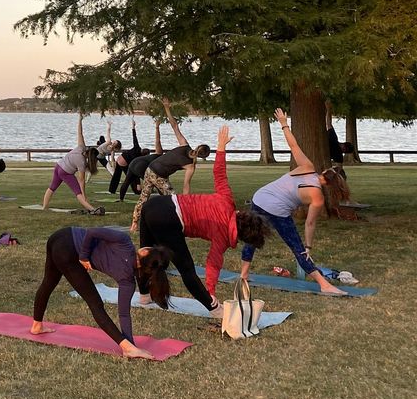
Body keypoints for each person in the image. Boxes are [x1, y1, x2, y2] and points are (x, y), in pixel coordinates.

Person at [137, 125, 268, 313]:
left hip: (157, 204)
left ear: (242, 215)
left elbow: (220, 174)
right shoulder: (223, 238)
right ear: (241, 237)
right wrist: (211, 292)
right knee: (186, 268)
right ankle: (213, 307)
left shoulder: (227, 201)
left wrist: (221, 147)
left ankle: (144, 295)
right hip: (170, 217)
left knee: (144, 253)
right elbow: (213, 264)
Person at [239, 109, 349, 295]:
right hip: (276, 209)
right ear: (332, 186)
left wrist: (284, 123)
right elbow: (310, 223)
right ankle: (325, 285)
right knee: (298, 248)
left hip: (260, 197)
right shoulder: (318, 197)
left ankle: (243, 275)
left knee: (253, 235)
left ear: (324, 172)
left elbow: (294, 145)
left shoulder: (307, 168)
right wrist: (308, 246)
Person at [24, 226, 172, 360]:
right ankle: (127, 348)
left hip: (61, 238)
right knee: (95, 303)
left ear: (145, 251)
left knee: (49, 283)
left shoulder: (125, 242)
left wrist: (130, 345)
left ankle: (37, 326)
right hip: (67, 244)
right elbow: (92, 233)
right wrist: (84, 256)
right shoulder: (128, 281)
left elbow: (93, 231)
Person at [129, 99, 211, 232]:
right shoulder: (190, 165)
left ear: (197, 147)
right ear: (203, 157)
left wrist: (167, 108)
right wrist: (185, 203)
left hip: (150, 169)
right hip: (158, 174)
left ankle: (134, 224)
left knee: (144, 198)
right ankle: (178, 223)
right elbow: (186, 186)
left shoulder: (185, 144)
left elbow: (174, 126)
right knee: (174, 200)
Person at [40, 111, 103, 214]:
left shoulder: (81, 147)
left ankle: (44, 208)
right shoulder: (81, 163)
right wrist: (84, 196)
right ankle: (92, 210)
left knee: (52, 188)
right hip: (65, 172)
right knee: (78, 193)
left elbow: (80, 133)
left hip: (58, 166)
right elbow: (81, 181)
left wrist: (80, 120)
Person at [118, 119, 163, 201]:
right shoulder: (157, 156)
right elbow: (157, 140)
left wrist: (133, 127)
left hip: (131, 164)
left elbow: (135, 138)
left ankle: (121, 199)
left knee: (127, 182)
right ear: (147, 154)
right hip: (137, 165)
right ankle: (160, 196)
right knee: (151, 181)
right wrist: (157, 127)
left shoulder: (139, 151)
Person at [109, 116, 149, 195]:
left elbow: (134, 137)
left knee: (116, 176)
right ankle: (137, 191)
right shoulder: (139, 158)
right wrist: (138, 184)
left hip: (120, 158)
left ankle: (111, 190)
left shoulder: (137, 147)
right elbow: (136, 172)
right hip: (123, 162)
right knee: (131, 177)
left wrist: (133, 127)